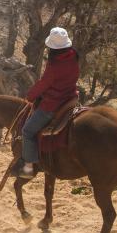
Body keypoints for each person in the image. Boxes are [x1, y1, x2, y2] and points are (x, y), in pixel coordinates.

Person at [17, 27, 80, 178]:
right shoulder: (74, 56)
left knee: (27, 131)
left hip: (53, 103)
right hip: (70, 98)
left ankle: (29, 166)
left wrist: (30, 96)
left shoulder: (54, 64)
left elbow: (44, 83)